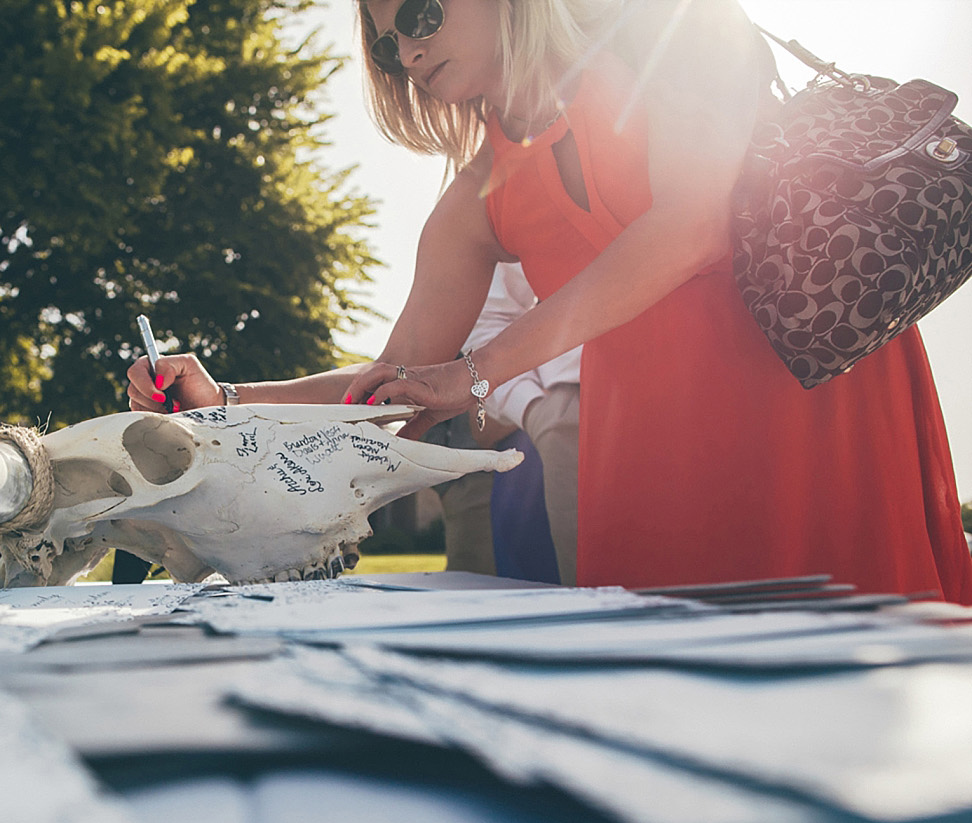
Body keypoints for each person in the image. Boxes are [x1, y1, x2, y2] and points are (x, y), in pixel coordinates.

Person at [129, 0, 972, 603]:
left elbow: (691, 225)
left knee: (857, 698)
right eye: (386, 46)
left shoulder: (670, 39)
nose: (408, 52)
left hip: (810, 407)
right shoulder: (475, 200)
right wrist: (228, 401)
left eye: (421, 15)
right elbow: (395, 382)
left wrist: (478, 372)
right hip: (645, 456)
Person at [421, 261, 579, 583]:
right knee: (499, 592)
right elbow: (486, 322)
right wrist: (538, 410)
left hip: (524, 433)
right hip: (494, 456)